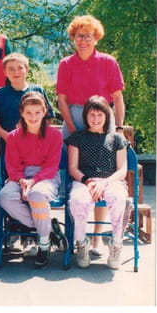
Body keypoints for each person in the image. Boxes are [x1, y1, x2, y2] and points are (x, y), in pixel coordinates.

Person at [56, 14, 126, 257]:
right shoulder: (66, 64)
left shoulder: (108, 61)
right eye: (78, 36)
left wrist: (118, 127)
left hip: (102, 116)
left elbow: (117, 97)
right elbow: (62, 99)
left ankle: (96, 239)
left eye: (88, 36)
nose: (83, 40)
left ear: (96, 38)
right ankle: (76, 237)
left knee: (103, 173)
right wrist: (74, 129)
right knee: (75, 176)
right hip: (74, 116)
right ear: (73, 38)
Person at [0, 92, 63, 268]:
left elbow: (51, 166)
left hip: (46, 176)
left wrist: (33, 182)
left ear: (44, 111)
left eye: (37, 112)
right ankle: (48, 226)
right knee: (4, 197)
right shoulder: (13, 136)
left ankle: (44, 244)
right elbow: (12, 165)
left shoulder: (55, 135)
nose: (33, 117)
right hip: (19, 176)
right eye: (28, 113)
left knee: (37, 194)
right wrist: (21, 181)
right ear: (22, 113)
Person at [66, 96, 129, 270]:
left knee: (118, 198)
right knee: (78, 200)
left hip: (111, 181)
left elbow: (122, 170)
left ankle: (116, 244)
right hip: (84, 181)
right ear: (85, 116)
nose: (95, 119)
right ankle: (82, 243)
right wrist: (88, 181)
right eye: (92, 115)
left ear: (107, 116)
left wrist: (104, 183)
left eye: (100, 115)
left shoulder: (116, 139)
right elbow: (73, 168)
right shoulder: (77, 138)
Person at [0, 52, 54, 152]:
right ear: (5, 72)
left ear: (27, 70)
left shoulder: (38, 90)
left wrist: (35, 133)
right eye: (11, 69)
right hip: (8, 146)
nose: (16, 72)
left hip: (35, 144)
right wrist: (8, 137)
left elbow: (48, 117)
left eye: (20, 68)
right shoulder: (0, 94)